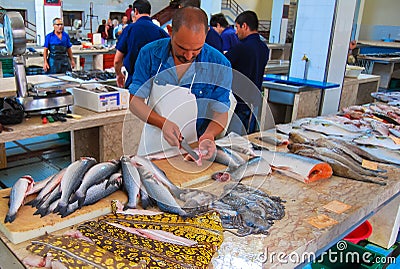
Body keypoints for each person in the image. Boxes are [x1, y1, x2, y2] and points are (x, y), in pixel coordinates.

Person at [129, 7, 232, 158]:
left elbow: (221, 114)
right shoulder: (149, 54)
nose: (189, 55)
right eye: (182, 48)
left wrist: (209, 135)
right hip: (153, 145)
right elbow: (135, 102)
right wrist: (162, 123)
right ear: (170, 31)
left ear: (206, 34)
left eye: (197, 49)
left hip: (194, 149)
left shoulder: (220, 65)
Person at [225, 11, 269, 134]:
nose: (235, 32)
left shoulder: (241, 48)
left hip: (238, 103)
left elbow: (222, 65)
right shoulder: (264, 48)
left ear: (244, 26)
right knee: (246, 138)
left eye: (237, 27)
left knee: (232, 140)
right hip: (253, 102)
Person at [114, 0, 169, 88]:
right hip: (155, 85)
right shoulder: (160, 32)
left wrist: (119, 74)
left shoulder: (129, 30)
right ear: (149, 12)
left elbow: (117, 60)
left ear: (135, 11)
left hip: (135, 82)